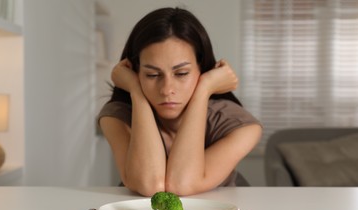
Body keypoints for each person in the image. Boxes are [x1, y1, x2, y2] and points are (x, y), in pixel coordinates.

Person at [97, 7, 262, 196]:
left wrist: (204, 88)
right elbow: (150, 186)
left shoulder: (242, 127)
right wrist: (136, 92)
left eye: (181, 73)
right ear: (135, 73)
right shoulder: (116, 117)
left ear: (202, 68)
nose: (167, 90)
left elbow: (181, 184)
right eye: (152, 74)